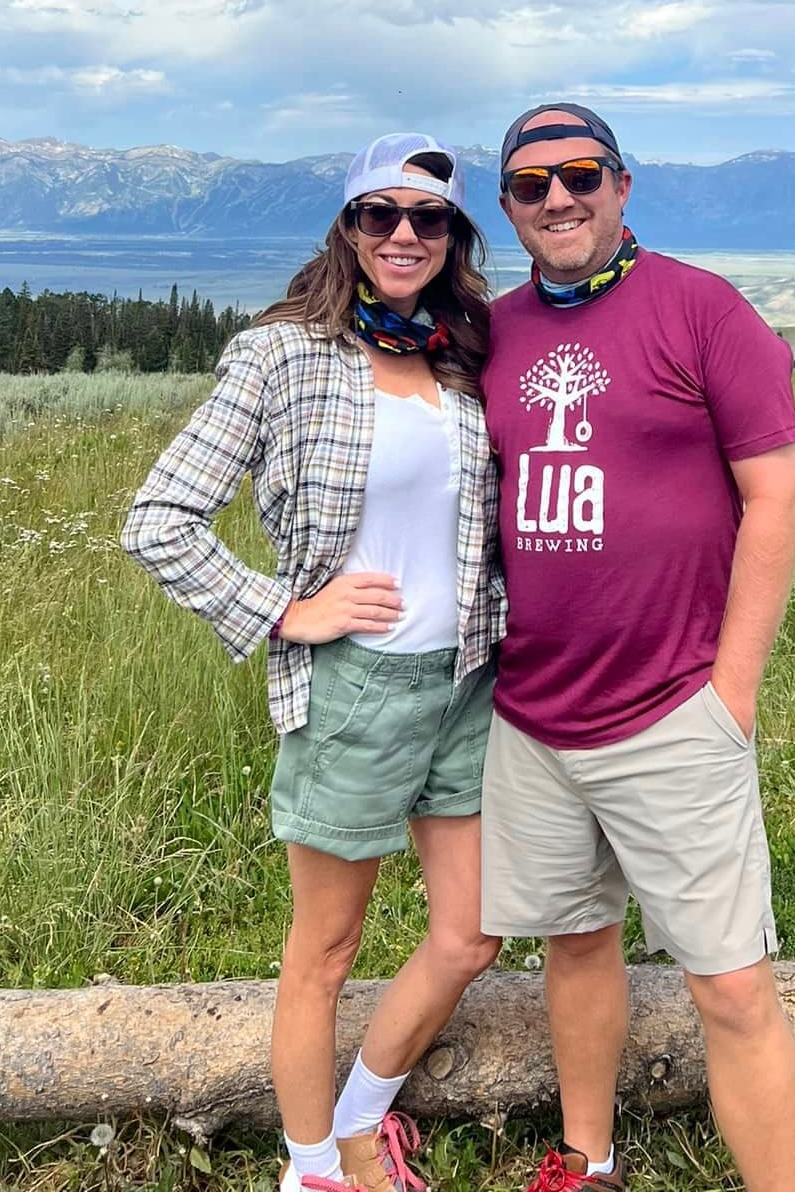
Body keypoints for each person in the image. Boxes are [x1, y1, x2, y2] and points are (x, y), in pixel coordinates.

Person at [123, 136, 505, 1192]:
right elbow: (157, 518)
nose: (402, 234)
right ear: (345, 229)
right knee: (324, 949)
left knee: (471, 932)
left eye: (427, 217)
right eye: (377, 214)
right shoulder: (283, 354)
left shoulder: (460, 353)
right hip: (355, 688)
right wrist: (285, 609)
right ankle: (311, 1173)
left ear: (453, 236)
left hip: (468, 680)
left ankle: (356, 1116)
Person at [479, 105, 795, 1192]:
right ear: (509, 209)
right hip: (533, 713)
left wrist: (733, 691)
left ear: (623, 185)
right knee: (573, 942)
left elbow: (778, 497)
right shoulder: (498, 330)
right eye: (531, 186)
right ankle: (589, 1158)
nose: (558, 199)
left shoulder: (703, 308)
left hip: (674, 706)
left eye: (579, 175)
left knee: (729, 984)